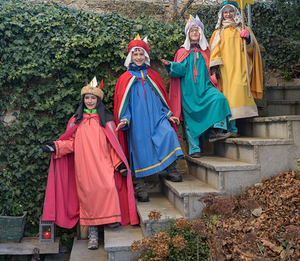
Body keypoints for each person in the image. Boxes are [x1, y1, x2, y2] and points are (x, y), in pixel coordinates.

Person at [41, 78, 139, 250]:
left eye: (93, 98)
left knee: (108, 188)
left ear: (98, 100)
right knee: (88, 197)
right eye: (87, 98)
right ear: (83, 100)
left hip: (104, 164)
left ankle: (110, 219)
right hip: (84, 166)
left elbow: (112, 145)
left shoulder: (107, 120)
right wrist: (55, 146)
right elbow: (70, 143)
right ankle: (93, 234)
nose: (90, 101)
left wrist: (119, 165)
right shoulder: (75, 121)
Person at [114, 35, 184, 203]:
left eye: (141, 54)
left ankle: (171, 169)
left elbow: (161, 99)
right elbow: (125, 105)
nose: (139, 57)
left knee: (168, 134)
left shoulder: (153, 75)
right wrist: (124, 119)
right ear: (130, 57)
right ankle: (140, 184)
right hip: (137, 123)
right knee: (139, 150)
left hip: (157, 118)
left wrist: (169, 114)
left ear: (146, 56)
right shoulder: (124, 79)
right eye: (135, 54)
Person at [161, 15, 232, 158]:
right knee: (190, 120)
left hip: (205, 88)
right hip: (189, 92)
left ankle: (216, 130)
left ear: (201, 33)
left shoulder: (207, 51)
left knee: (219, 99)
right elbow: (180, 69)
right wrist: (171, 65)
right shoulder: (182, 52)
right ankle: (194, 149)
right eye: (192, 30)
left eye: (197, 30)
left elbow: (213, 67)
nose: (194, 33)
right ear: (188, 33)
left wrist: (214, 74)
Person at [209, 0, 263, 135]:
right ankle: (232, 128)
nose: (228, 14)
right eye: (225, 12)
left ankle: (237, 125)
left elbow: (252, 51)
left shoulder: (243, 29)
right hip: (225, 69)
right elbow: (215, 51)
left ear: (236, 12)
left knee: (239, 91)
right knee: (228, 96)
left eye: (230, 11)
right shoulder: (218, 32)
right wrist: (214, 70)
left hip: (241, 67)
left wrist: (248, 39)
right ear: (221, 14)